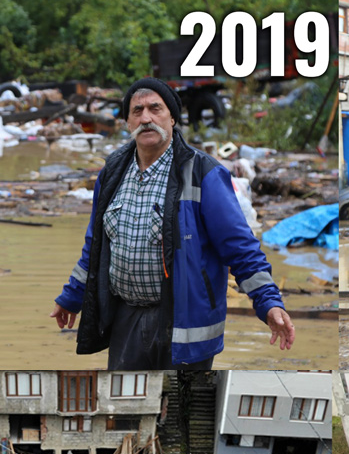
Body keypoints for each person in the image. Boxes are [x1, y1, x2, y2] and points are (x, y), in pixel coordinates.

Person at [50, 77, 294, 368]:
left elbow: (240, 247)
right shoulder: (112, 173)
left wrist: (268, 302)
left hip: (185, 323)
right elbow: (96, 246)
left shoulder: (202, 173)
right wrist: (72, 296)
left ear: (173, 118)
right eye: (137, 111)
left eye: (156, 108)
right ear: (127, 122)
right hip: (125, 320)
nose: (146, 118)